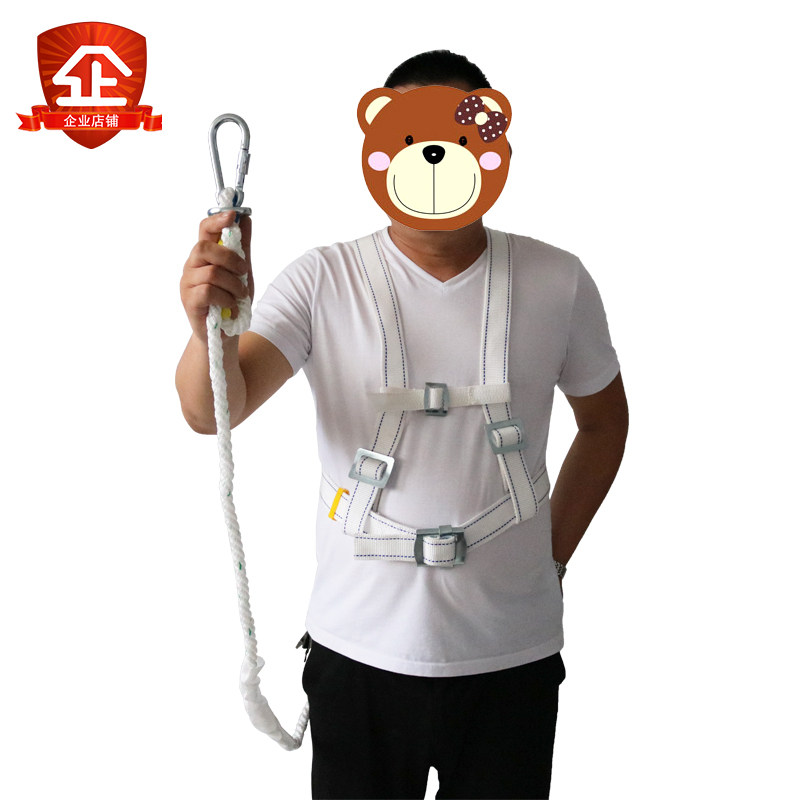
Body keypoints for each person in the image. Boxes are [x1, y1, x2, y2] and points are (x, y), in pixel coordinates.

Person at [176, 50, 628, 800]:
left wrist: (549, 559)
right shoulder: (322, 279)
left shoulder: (558, 279)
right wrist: (208, 329)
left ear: (494, 144)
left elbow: (605, 424)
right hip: (357, 653)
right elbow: (208, 409)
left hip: (512, 656)